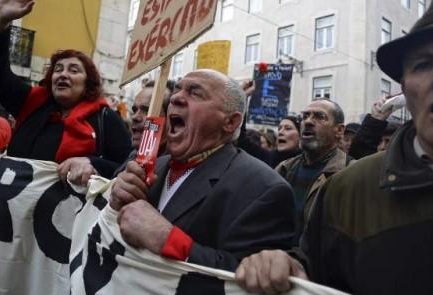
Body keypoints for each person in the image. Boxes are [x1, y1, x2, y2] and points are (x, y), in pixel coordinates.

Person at [235, 0, 433, 295]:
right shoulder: (346, 192)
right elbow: (315, 276)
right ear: (405, 89)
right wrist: (289, 270)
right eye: (423, 64)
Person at [110, 69, 296, 272]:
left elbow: (245, 285)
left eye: (195, 93)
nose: (176, 97)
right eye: (178, 90)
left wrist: (170, 241)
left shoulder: (263, 188)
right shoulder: (153, 166)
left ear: (230, 122)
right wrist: (114, 205)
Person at [0, 0, 132, 182]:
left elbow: (125, 168)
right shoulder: (32, 104)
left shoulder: (106, 119)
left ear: (88, 82)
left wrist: (93, 164)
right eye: (58, 69)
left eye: (73, 70)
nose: (63, 74)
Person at [275, 98, 350, 241]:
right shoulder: (283, 169)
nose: (308, 121)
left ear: (339, 131)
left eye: (320, 117)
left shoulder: (350, 173)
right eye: (305, 116)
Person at [237, 81, 302, 168]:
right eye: (279, 128)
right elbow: (241, 139)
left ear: (300, 136)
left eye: (288, 128)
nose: (281, 132)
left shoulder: (308, 162)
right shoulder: (268, 157)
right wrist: (242, 97)